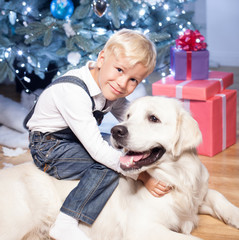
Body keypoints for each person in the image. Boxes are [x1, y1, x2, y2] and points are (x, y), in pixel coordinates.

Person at [26, 29, 171, 240]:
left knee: (115, 148)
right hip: (48, 147)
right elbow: (96, 150)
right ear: (101, 58)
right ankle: (66, 221)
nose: (123, 83)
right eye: (119, 69)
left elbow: (131, 118)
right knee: (110, 164)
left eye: (134, 80)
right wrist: (141, 175)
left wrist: (153, 133)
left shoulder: (110, 87)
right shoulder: (73, 92)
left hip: (72, 140)